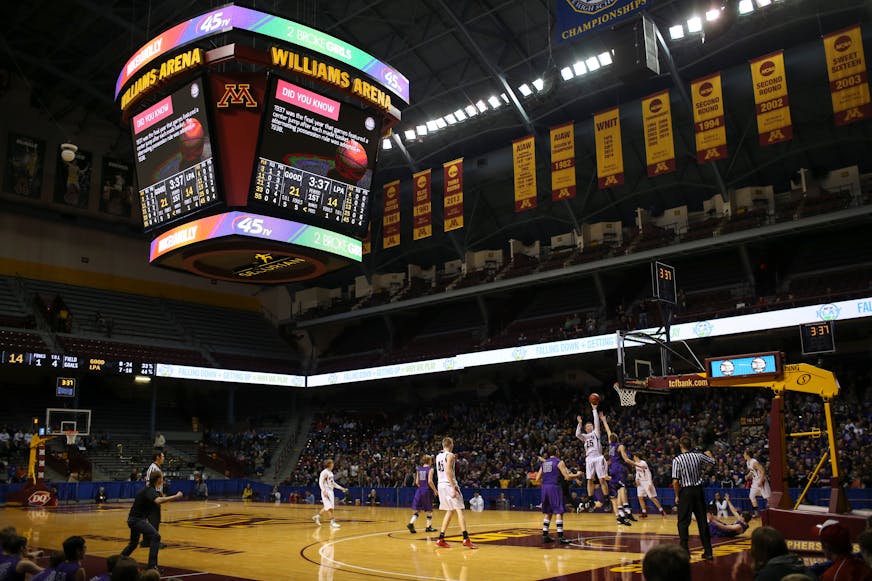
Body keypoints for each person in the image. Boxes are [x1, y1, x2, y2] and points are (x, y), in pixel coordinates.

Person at [121, 472, 183, 573]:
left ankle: (117, 562)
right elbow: (158, 501)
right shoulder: (149, 490)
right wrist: (176, 496)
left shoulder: (149, 489)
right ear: (158, 479)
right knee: (155, 536)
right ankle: (151, 567)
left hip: (133, 519)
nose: (162, 480)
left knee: (133, 544)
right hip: (137, 520)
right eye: (162, 478)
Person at [671, 435, 715, 559]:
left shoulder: (677, 459)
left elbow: (675, 481)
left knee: (683, 522)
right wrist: (709, 454)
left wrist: (677, 495)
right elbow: (713, 462)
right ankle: (708, 551)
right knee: (702, 522)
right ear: (691, 445)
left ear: (681, 446)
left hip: (686, 491)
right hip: (699, 491)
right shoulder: (699, 455)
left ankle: (685, 551)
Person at [434, 437, 476, 548]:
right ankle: (465, 538)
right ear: (451, 444)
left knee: (450, 511)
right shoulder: (451, 455)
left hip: (441, 485)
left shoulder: (438, 456)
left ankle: (441, 539)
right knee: (460, 510)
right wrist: (453, 487)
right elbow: (448, 471)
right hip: (449, 484)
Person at [535, 444, 581, 545]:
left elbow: (537, 479)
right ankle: (561, 537)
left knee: (548, 512)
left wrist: (546, 480)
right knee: (559, 512)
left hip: (545, 488)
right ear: (557, 452)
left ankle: (545, 535)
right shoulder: (559, 462)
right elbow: (567, 477)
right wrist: (578, 475)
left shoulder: (544, 463)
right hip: (554, 487)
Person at [600, 413, 635, 526]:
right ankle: (627, 511)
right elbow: (626, 459)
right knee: (622, 489)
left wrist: (604, 421)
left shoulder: (610, 446)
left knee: (616, 493)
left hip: (611, 469)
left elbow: (608, 431)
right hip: (619, 468)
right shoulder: (619, 446)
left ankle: (620, 512)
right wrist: (637, 465)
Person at [575, 402, 609, 507]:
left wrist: (594, 409)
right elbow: (577, 434)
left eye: (591, 425)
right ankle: (590, 500)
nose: (590, 426)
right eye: (588, 425)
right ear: (585, 428)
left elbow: (596, 421)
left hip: (598, 457)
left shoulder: (596, 433)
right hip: (589, 458)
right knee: (589, 480)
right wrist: (580, 423)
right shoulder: (584, 436)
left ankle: (606, 499)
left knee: (602, 479)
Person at [625, 451, 666, 518]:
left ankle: (662, 511)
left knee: (652, 497)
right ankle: (644, 513)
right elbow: (637, 473)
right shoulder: (636, 464)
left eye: (634, 456)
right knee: (640, 497)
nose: (633, 458)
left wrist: (650, 483)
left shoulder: (643, 463)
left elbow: (648, 473)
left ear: (636, 457)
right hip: (641, 482)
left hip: (647, 482)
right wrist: (636, 479)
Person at [313, 459, 348, 528]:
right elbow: (320, 482)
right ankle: (332, 522)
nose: (333, 465)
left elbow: (333, 484)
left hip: (331, 491)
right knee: (329, 508)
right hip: (326, 491)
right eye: (332, 463)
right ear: (329, 465)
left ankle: (317, 517)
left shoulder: (330, 473)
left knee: (328, 507)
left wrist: (342, 488)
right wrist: (324, 491)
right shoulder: (324, 472)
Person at [408, 454, 438, 534]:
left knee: (418, 509)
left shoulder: (419, 469)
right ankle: (428, 527)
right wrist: (435, 490)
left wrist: (422, 487)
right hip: (427, 491)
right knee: (429, 510)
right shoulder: (430, 469)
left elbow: (417, 482)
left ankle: (411, 523)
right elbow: (430, 481)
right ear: (429, 461)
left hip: (419, 490)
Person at [142, 452, 165, 549]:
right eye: (163, 456)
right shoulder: (153, 468)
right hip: (152, 496)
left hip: (154, 495)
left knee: (152, 520)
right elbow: (148, 483)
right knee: (154, 520)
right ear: (157, 457)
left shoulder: (156, 468)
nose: (164, 458)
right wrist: (153, 495)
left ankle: (146, 541)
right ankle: (153, 542)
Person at [744, 450, 771, 518]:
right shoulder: (748, 462)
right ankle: (756, 513)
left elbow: (763, 471)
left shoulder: (754, 462)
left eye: (744, 454)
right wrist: (748, 475)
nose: (743, 455)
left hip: (761, 480)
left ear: (747, 455)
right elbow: (752, 471)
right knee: (751, 496)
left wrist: (761, 481)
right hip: (755, 481)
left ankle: (774, 512)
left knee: (768, 498)